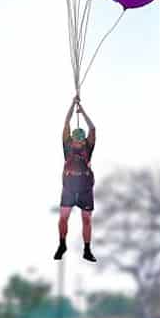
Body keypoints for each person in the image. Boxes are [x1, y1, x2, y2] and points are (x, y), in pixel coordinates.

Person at [54, 95, 96, 262]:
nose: (78, 143)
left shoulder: (88, 146)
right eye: (76, 140)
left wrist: (82, 111)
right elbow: (66, 123)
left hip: (85, 187)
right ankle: (62, 244)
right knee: (63, 217)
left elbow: (93, 129)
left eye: (80, 140)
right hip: (69, 188)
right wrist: (72, 104)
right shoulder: (67, 145)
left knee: (86, 219)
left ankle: (87, 249)